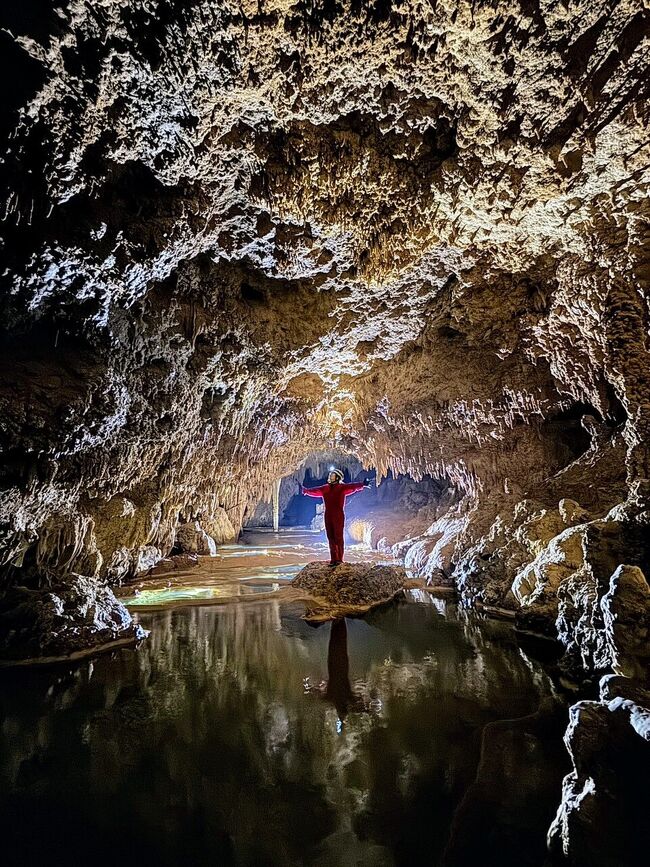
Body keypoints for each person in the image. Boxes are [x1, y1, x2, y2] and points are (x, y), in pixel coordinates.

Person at [300, 468, 370, 565]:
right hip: (328, 514)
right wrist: (305, 491)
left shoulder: (342, 487)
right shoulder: (325, 488)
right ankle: (333, 559)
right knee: (330, 537)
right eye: (330, 475)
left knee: (338, 537)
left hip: (338, 515)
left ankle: (339, 559)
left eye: (332, 475)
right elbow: (315, 491)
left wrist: (362, 484)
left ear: (337, 477)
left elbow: (352, 487)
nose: (330, 476)